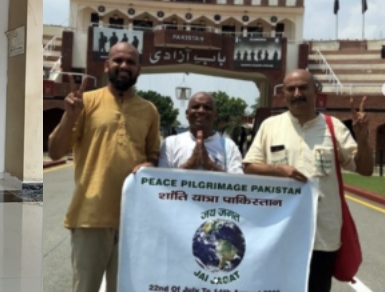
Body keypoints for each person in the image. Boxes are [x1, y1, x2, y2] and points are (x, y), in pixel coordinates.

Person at [242, 69, 373, 292]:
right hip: (279, 231)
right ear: (283, 93)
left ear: (315, 91)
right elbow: (248, 166)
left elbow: (365, 169)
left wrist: (362, 138)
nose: (297, 94)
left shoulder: (333, 127)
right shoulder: (270, 126)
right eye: (290, 89)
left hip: (322, 234)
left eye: (303, 87)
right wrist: (277, 169)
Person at [48, 42, 161, 292]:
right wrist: (70, 115)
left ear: (139, 69)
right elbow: (55, 151)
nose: (124, 66)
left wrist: (150, 163)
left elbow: (154, 155)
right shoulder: (86, 102)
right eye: (118, 60)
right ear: (107, 65)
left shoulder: (149, 111)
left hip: (133, 222)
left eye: (131, 62)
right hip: (90, 217)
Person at [159, 92, 243, 173]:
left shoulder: (229, 146)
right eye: (195, 107)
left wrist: (209, 164)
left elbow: (238, 184)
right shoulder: (170, 143)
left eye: (207, 107)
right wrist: (189, 164)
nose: (201, 111)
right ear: (187, 114)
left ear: (215, 115)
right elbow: (161, 180)